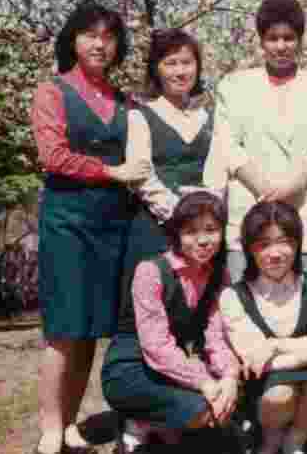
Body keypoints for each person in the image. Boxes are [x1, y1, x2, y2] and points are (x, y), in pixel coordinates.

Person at [30, 4, 151, 454]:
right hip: (68, 222)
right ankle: (49, 427)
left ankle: (69, 423)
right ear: (73, 40)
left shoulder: (124, 102)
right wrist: (113, 171)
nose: (100, 44)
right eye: (90, 35)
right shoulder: (53, 91)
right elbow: (53, 156)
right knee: (64, 329)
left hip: (113, 225)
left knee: (89, 332)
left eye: (108, 36)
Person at [213, 0, 307, 283]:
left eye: (289, 38)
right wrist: (263, 187)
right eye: (272, 38)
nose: (281, 46)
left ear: (300, 40)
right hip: (248, 208)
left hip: (301, 212)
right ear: (261, 40)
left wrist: (289, 188)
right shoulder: (234, 86)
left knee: (299, 311)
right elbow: (228, 146)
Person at [102, 190, 241, 453]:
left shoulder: (219, 275)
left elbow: (216, 337)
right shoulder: (151, 271)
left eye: (211, 230)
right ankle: (137, 422)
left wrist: (229, 377)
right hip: (131, 369)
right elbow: (156, 346)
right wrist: (206, 383)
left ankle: (158, 427)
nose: (202, 240)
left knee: (225, 409)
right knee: (205, 411)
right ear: (177, 234)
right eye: (190, 231)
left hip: (172, 370)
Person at [115, 28, 234, 322]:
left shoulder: (210, 117)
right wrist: (180, 215)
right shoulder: (140, 115)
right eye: (171, 63)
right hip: (156, 228)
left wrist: (205, 214)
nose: (180, 71)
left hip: (204, 232)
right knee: (153, 315)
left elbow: (218, 170)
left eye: (187, 62)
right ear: (156, 69)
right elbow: (142, 176)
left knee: (203, 317)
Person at [220, 201, 307, 454]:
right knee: (280, 393)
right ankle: (270, 440)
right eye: (264, 245)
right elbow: (254, 359)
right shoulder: (233, 296)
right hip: (267, 387)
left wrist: (274, 345)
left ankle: (295, 441)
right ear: (249, 250)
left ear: (297, 244)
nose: (275, 253)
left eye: (284, 241)